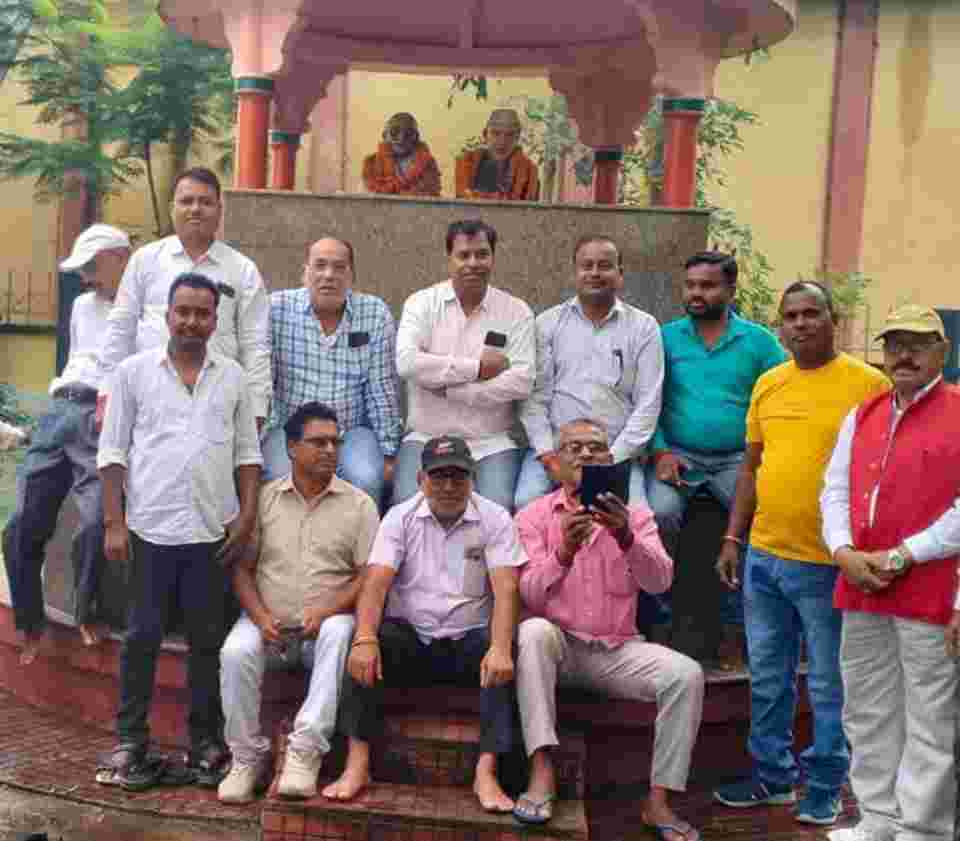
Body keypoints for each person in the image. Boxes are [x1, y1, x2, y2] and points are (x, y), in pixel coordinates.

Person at [713, 282, 889, 825]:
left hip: (829, 564)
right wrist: (733, 538)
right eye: (791, 316)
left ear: (834, 319)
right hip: (764, 557)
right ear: (780, 324)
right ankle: (772, 777)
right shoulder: (770, 383)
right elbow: (751, 467)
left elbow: (885, 470)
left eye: (812, 313)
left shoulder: (869, 385)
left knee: (829, 682)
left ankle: (826, 785)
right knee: (768, 677)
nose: (801, 324)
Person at [96, 273, 262, 791]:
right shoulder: (133, 373)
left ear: (215, 320)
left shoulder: (233, 377)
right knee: (141, 638)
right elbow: (112, 453)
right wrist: (114, 522)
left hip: (212, 536)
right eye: (183, 311)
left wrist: (247, 518)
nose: (192, 321)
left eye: (202, 313)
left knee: (207, 642)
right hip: (149, 531)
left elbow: (248, 455)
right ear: (167, 315)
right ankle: (131, 740)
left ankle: (205, 742)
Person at [514, 419, 704, 838]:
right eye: (574, 447)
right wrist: (563, 552)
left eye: (596, 448)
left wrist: (626, 537)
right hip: (560, 648)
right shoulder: (533, 516)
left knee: (686, 675)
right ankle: (541, 770)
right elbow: (529, 594)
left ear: (611, 461)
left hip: (617, 651)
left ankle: (658, 802)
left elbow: (660, 583)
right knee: (532, 632)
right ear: (555, 464)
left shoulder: (635, 516)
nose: (586, 454)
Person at [324, 435, 523, 812]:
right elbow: (375, 583)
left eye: (458, 476)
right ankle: (357, 764)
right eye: (439, 476)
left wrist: (499, 648)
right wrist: (364, 638)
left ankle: (487, 771)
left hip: (468, 644)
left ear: (473, 478)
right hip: (413, 640)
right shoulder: (399, 517)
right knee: (364, 640)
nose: (448, 486)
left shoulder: (495, 518)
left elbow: (507, 587)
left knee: (504, 647)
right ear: (421, 479)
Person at [821, 305, 958, 841]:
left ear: (942, 352)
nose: (904, 354)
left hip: (931, 588)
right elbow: (834, 489)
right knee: (867, 708)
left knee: (929, 714)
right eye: (895, 343)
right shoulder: (863, 414)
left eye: (918, 344)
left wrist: (903, 555)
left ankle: (922, 829)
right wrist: (841, 550)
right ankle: (878, 818)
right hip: (862, 584)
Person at [219, 402, 379, 803]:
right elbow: (241, 569)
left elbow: (368, 577)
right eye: (318, 442)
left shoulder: (360, 505)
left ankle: (305, 752)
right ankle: (246, 757)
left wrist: (327, 610)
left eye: (335, 442)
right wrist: (260, 617)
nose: (330, 450)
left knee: (340, 630)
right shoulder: (265, 501)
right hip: (268, 623)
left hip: (324, 626)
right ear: (291, 448)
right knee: (234, 652)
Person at [642, 251, 786, 653]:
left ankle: (747, 629)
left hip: (738, 460)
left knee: (765, 521)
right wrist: (660, 451)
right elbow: (645, 401)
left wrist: (762, 455)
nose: (697, 293)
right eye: (691, 285)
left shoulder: (759, 342)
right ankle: (659, 621)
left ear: (731, 290)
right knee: (659, 514)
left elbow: (782, 396)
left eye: (708, 286)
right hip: (679, 455)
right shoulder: (665, 338)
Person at [2, 224, 131, 665]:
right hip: (60, 409)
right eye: (82, 269)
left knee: (96, 521)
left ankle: (87, 611)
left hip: (101, 416)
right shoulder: (80, 306)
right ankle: (29, 623)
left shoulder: (147, 311)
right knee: (21, 522)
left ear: (121, 258)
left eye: (92, 267)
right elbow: (77, 360)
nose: (86, 277)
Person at [97, 166, 271, 429]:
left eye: (205, 202)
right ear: (172, 208)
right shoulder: (145, 260)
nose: (195, 209)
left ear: (220, 211)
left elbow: (255, 343)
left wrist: (256, 408)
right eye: (186, 201)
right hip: (148, 395)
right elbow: (121, 328)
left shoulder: (243, 270)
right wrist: (107, 391)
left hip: (217, 401)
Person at [393, 220, 534, 511]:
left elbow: (521, 380)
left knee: (497, 510)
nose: (473, 263)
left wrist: (454, 390)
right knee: (408, 508)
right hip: (427, 437)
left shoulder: (516, 311)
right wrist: (477, 369)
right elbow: (407, 363)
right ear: (449, 259)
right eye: (464, 255)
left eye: (482, 254)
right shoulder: (421, 304)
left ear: (493, 257)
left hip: (490, 441)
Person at [516, 235, 664, 510]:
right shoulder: (547, 324)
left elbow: (648, 403)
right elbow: (534, 398)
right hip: (557, 449)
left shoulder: (643, 327)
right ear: (575, 272)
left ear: (620, 273)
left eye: (605, 265)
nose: (595, 273)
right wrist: (548, 455)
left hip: (615, 451)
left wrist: (612, 458)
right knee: (527, 501)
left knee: (637, 516)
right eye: (587, 265)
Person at [264, 237, 402, 505]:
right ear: (305, 272)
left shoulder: (374, 314)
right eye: (320, 265)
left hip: (350, 430)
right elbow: (262, 381)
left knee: (367, 477)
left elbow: (382, 389)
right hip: (291, 429)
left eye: (339, 267)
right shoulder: (276, 309)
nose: (329, 275)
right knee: (279, 478)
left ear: (352, 276)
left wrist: (388, 453)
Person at [455, 109, 540, 201]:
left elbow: (529, 205)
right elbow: (463, 197)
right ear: (485, 134)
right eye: (496, 133)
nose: (502, 141)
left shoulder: (529, 169)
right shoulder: (468, 161)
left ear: (517, 137)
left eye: (510, 135)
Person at [362, 112, 442, 197]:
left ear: (416, 137)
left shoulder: (428, 163)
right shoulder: (371, 163)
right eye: (395, 132)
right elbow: (370, 194)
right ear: (384, 135)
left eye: (408, 134)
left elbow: (430, 194)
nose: (401, 139)